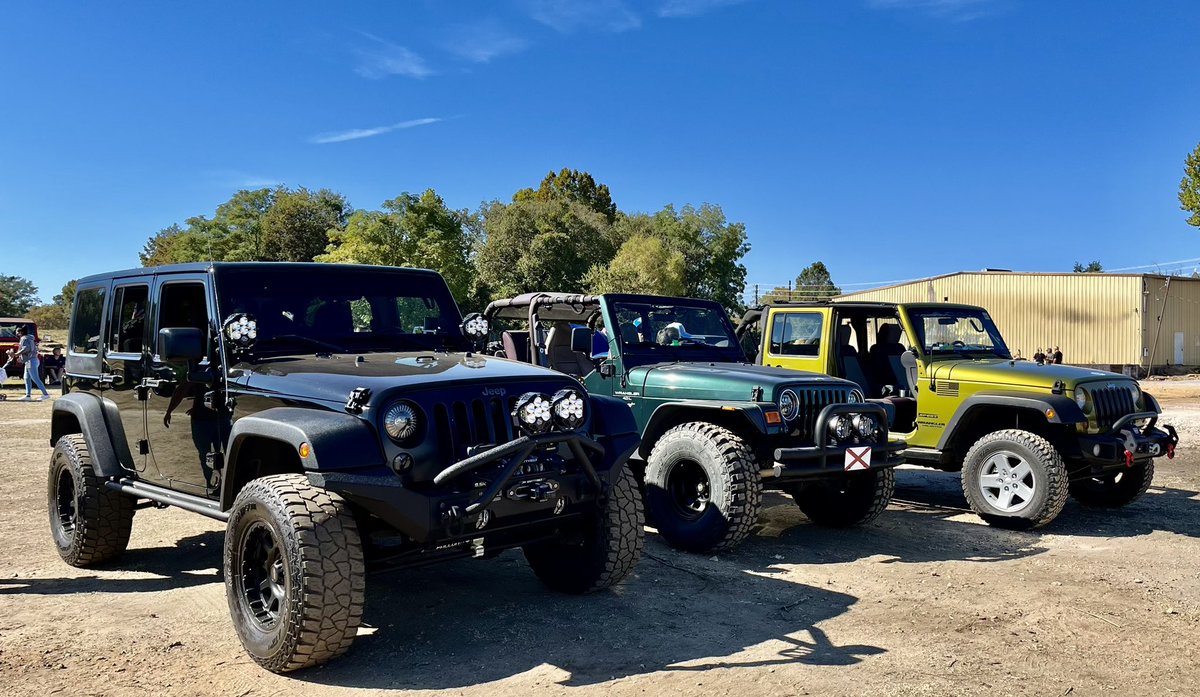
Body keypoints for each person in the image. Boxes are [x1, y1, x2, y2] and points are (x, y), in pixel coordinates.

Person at [14, 326, 50, 401]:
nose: (16, 333)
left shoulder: (24, 338)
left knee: (35, 378)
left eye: (18, 331)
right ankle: (28, 395)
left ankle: (45, 394)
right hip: (30, 361)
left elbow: (26, 348)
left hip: (31, 361)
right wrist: (21, 357)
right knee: (27, 378)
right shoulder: (29, 338)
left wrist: (16, 354)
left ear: (21, 332)